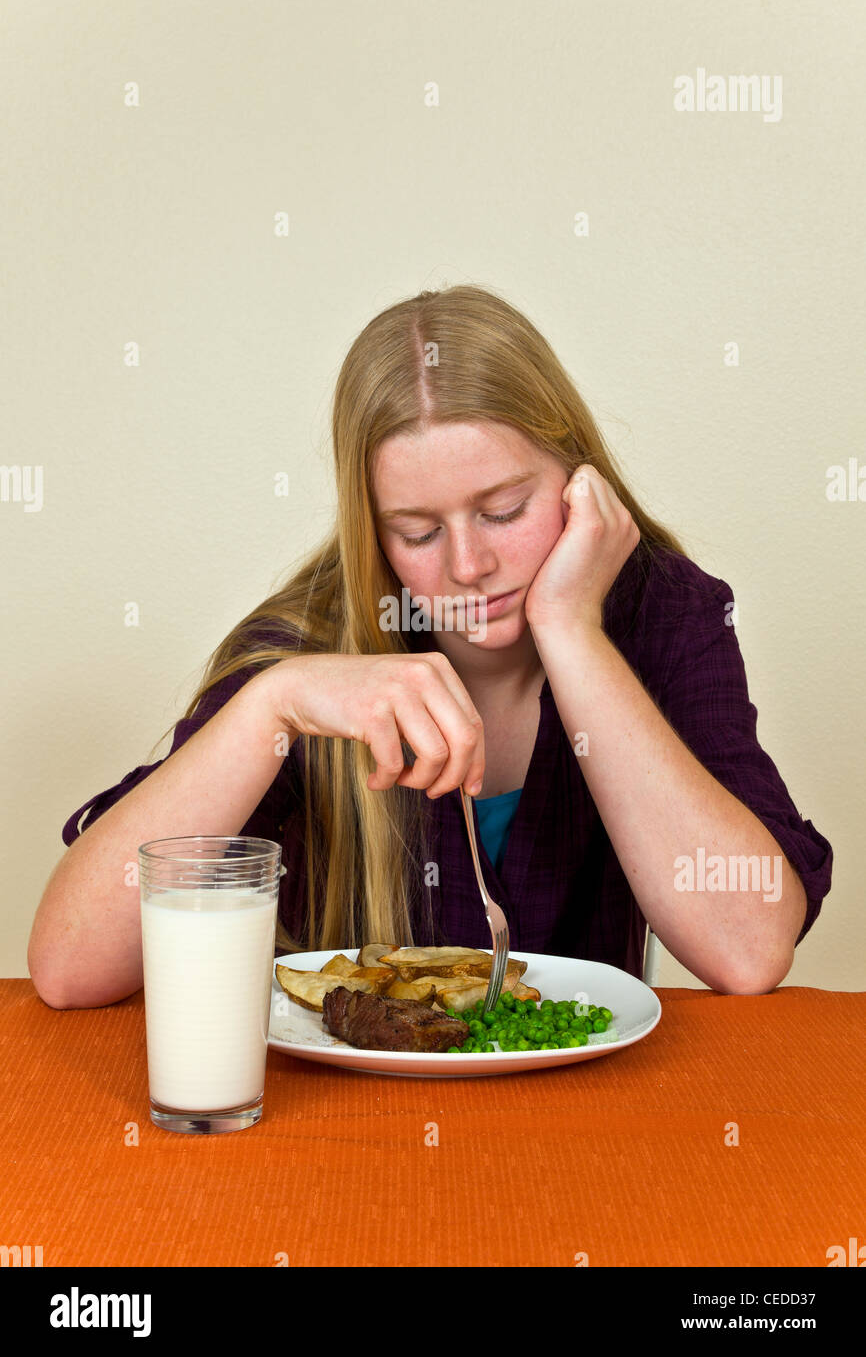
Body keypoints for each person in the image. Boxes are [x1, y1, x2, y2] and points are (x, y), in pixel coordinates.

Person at [29, 285, 833, 1009]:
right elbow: (70, 968)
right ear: (371, 531)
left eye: (504, 510)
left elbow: (748, 947)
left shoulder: (666, 614)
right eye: (417, 531)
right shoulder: (305, 646)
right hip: (337, 1125)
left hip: (581, 1125)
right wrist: (268, 704)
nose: (467, 566)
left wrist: (571, 631)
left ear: (579, 481)